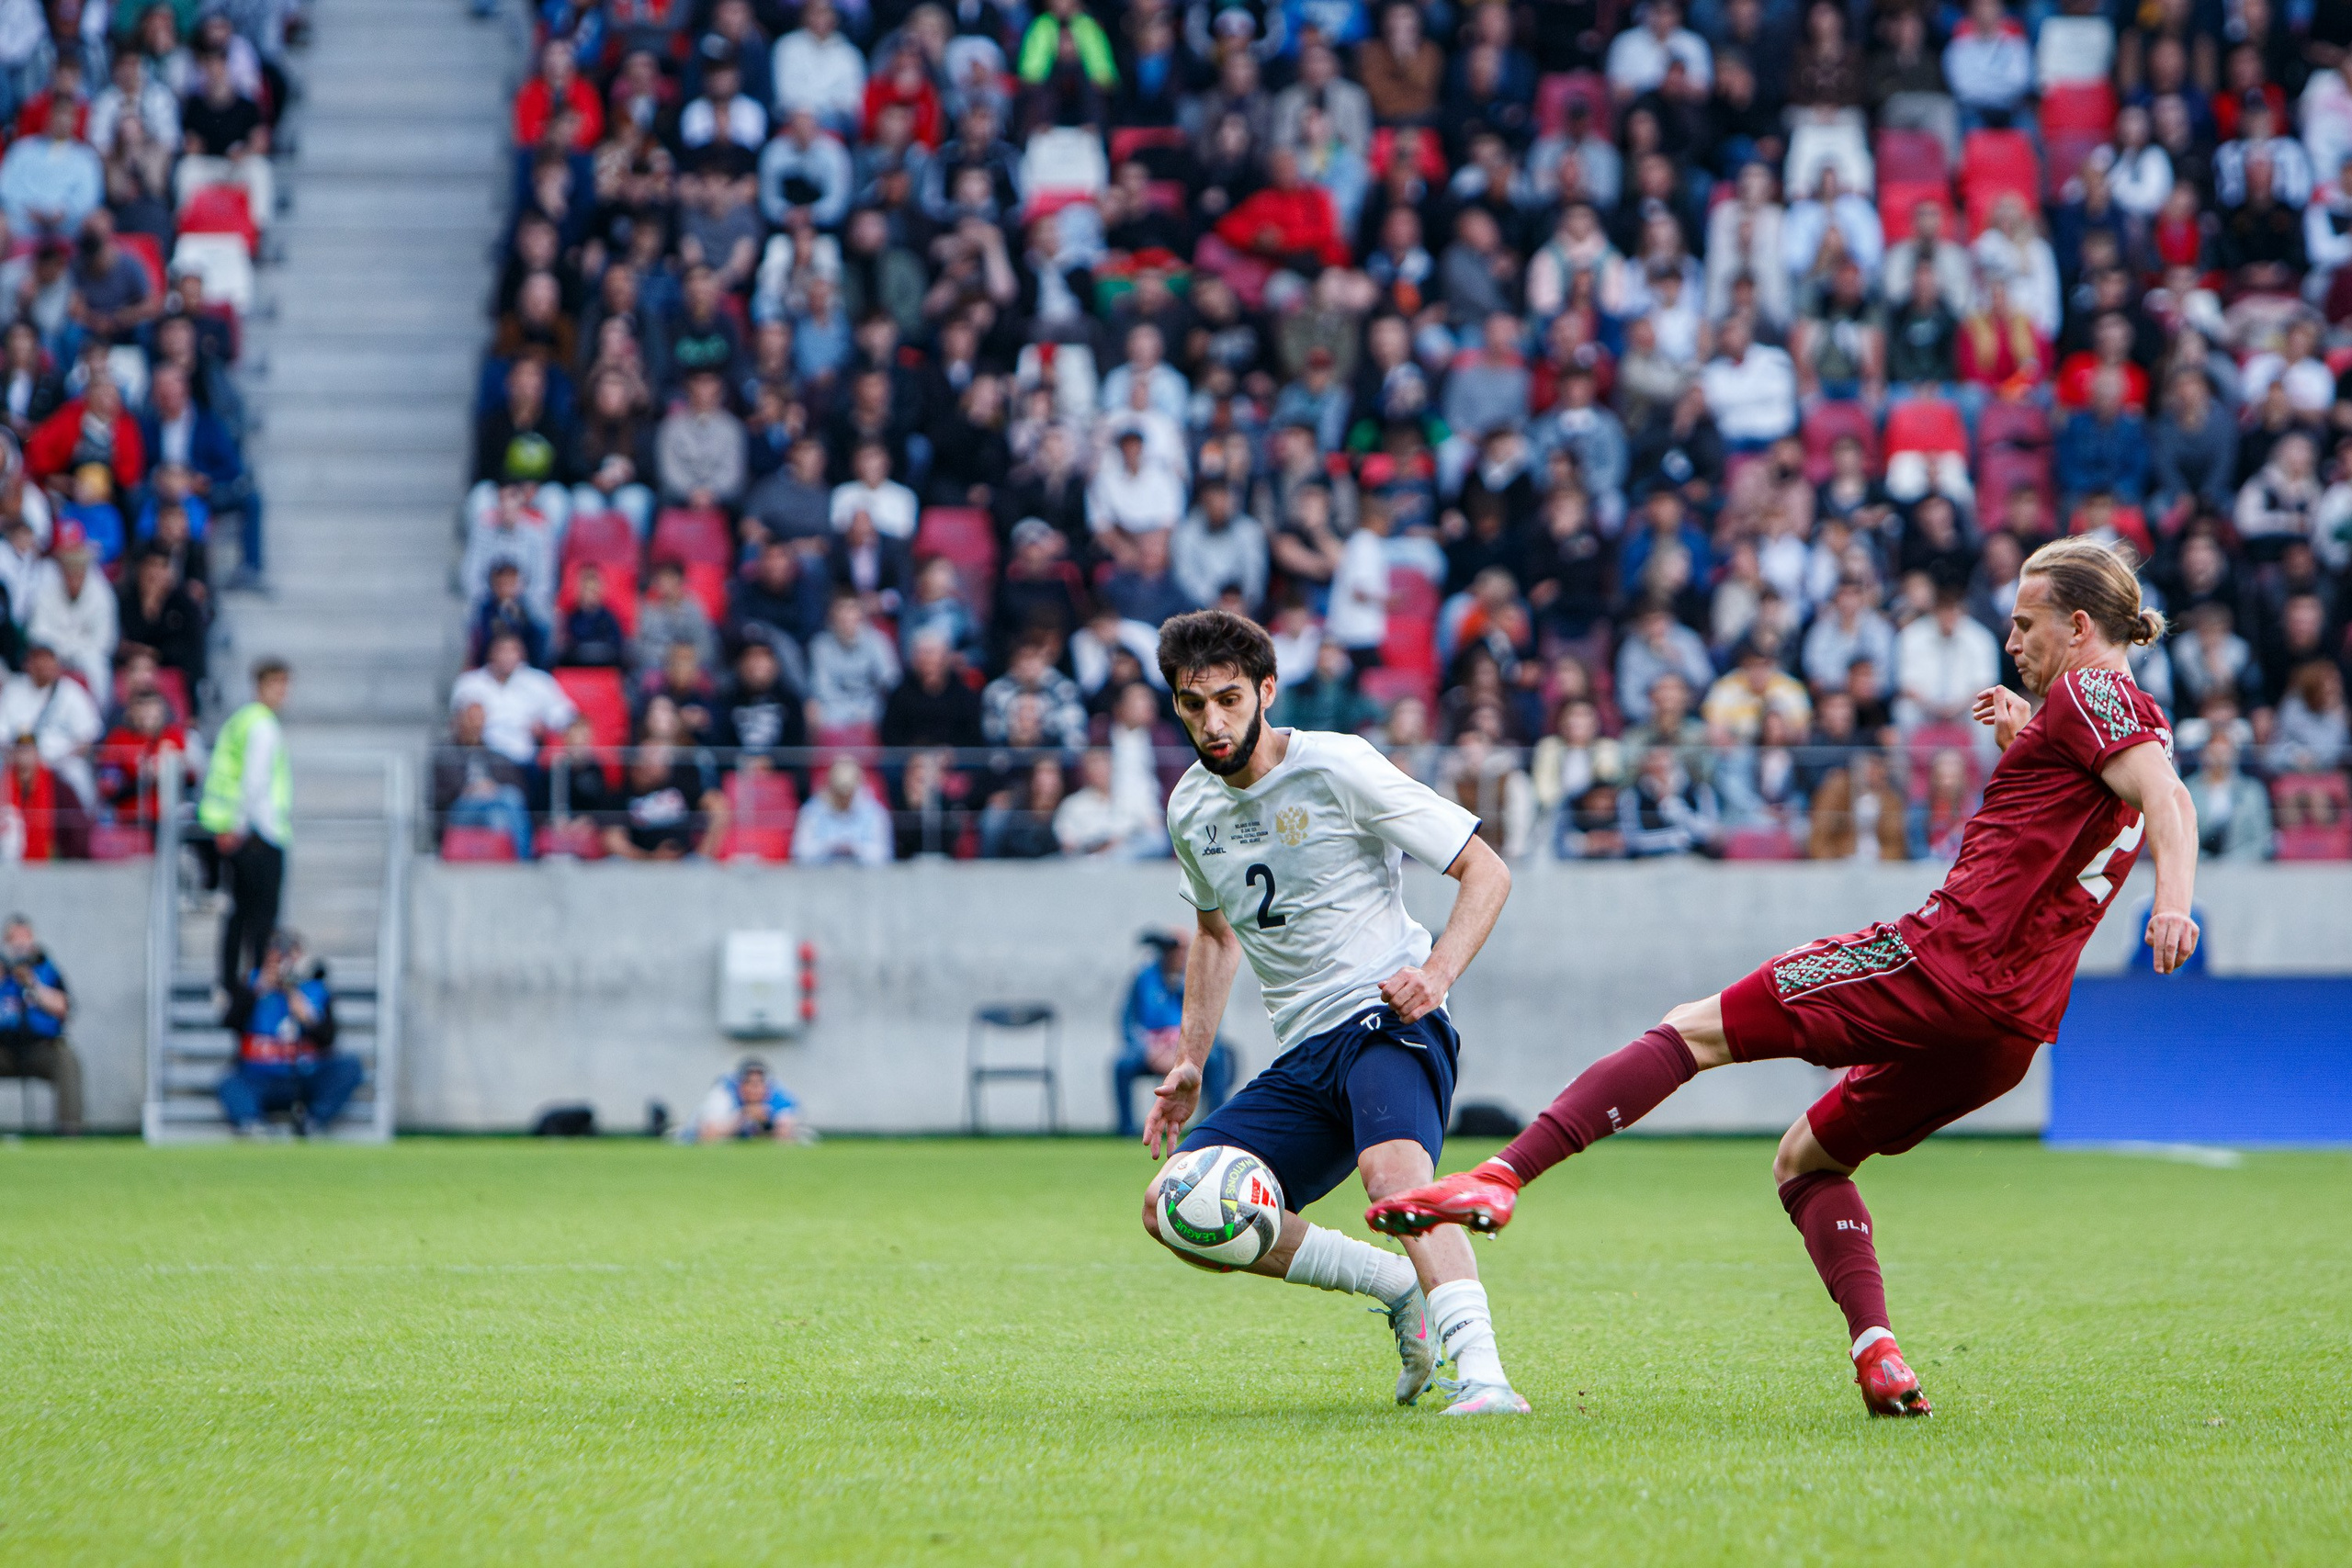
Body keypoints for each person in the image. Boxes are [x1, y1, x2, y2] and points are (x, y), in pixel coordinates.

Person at [1369, 539, 2200, 1421]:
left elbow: (2169, 799)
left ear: (2079, 626)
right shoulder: (2104, 715)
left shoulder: (2092, 689)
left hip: (1937, 964)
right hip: (2010, 1035)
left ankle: (1500, 1175)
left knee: (1694, 1030)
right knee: (1806, 1160)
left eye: (2025, 625)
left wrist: (2174, 902)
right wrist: (2020, 738)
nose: (2011, 642)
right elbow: (2090, 799)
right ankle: (1877, 1351)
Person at [1140, 609, 1529, 1416]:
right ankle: (1396, 1286)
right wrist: (1191, 1058)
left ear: (1267, 691)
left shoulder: (1339, 765)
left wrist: (1436, 972)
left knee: (1397, 1181)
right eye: (1191, 703)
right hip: (1304, 1054)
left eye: (1229, 699)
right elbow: (1215, 936)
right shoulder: (1189, 809)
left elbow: (1484, 871)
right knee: (1176, 1206)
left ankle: (1486, 1377)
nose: (1211, 722)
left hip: (1388, 1016)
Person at [198, 657, 290, 998]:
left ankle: (228, 982)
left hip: (237, 830)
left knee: (237, 913)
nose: (283, 693)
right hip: (257, 834)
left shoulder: (241, 721)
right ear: (261, 686)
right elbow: (254, 782)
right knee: (261, 918)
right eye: (277, 684)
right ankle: (253, 988)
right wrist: (239, 826)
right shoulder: (263, 725)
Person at [219, 930, 363, 1136]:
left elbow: (329, 1039)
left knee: (349, 1066)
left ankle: (313, 1122)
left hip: (303, 1074)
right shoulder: (251, 987)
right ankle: (250, 1123)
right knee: (231, 1083)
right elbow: (230, 1022)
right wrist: (260, 989)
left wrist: (305, 1015)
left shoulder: (314, 991)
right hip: (259, 1076)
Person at [1112, 928, 1234, 1140]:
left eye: (1181, 949)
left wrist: (1184, 1052)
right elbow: (1128, 1023)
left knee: (1220, 1057)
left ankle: (1215, 1126)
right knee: (1121, 1064)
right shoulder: (1143, 978)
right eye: (1171, 949)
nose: (1176, 954)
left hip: (1187, 1049)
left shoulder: (1196, 979)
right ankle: (1127, 1131)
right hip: (1152, 1051)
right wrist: (1148, 1048)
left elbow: (1212, 1024)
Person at [0, 914, 78, 1133]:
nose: (21, 943)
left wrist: (32, 985)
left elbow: (63, 1007)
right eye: (14, 938)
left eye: (25, 937)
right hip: (4, 1050)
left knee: (66, 1060)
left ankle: (70, 1133)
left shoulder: (46, 969)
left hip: (39, 1049)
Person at [694, 1057, 806, 1142]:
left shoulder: (778, 1095)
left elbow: (787, 1130)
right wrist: (741, 1119)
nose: (754, 1089)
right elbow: (707, 1134)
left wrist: (767, 1122)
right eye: (748, 1083)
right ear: (739, 1085)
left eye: (759, 1083)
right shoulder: (724, 1093)